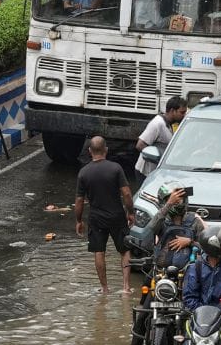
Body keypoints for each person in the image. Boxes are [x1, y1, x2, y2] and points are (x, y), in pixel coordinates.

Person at [74, 136, 134, 294]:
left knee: (99, 251)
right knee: (125, 250)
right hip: (116, 215)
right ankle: (126, 287)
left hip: (96, 218)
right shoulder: (116, 168)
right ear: (106, 150)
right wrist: (131, 212)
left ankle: (105, 288)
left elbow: (79, 200)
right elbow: (127, 194)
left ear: (89, 151)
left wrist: (79, 220)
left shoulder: (83, 173)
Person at [136, 95, 187, 178]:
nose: (184, 115)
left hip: (157, 172)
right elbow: (140, 145)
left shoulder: (169, 124)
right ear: (172, 111)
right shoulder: (157, 124)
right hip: (145, 173)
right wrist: (158, 159)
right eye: (182, 112)